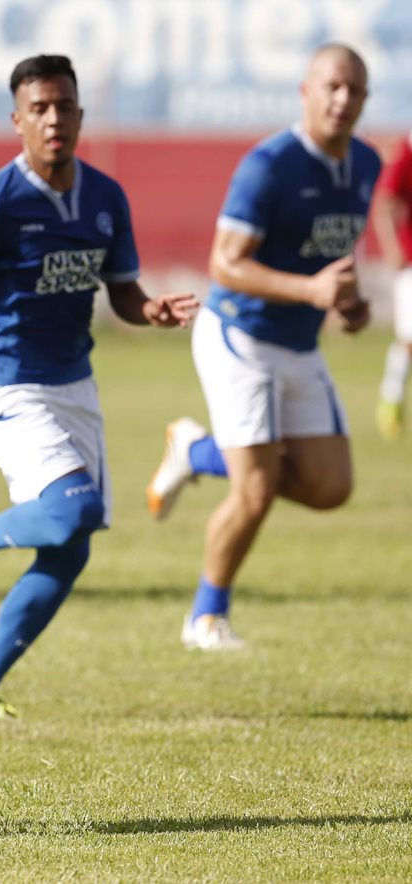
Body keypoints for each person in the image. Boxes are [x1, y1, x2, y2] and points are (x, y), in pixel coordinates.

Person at [0, 55, 197, 720]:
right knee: (73, 512)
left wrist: (147, 310)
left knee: (70, 552)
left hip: (75, 383)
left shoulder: (105, 198)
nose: (53, 118)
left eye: (64, 106)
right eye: (39, 108)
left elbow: (120, 291)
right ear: (17, 122)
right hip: (8, 384)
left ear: (81, 116)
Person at [144, 44, 379, 650]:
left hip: (299, 342)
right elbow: (223, 265)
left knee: (332, 487)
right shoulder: (269, 165)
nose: (342, 99)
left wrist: (348, 303)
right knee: (255, 490)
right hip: (239, 336)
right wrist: (312, 289)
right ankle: (205, 619)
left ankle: (195, 452)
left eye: (354, 90)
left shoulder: (366, 166)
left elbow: (328, 256)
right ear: (305, 91)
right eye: (331, 86)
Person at [373, 131, 412, 440]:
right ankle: (392, 398)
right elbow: (385, 201)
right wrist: (390, 246)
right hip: (410, 260)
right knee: (409, 338)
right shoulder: (406, 151)